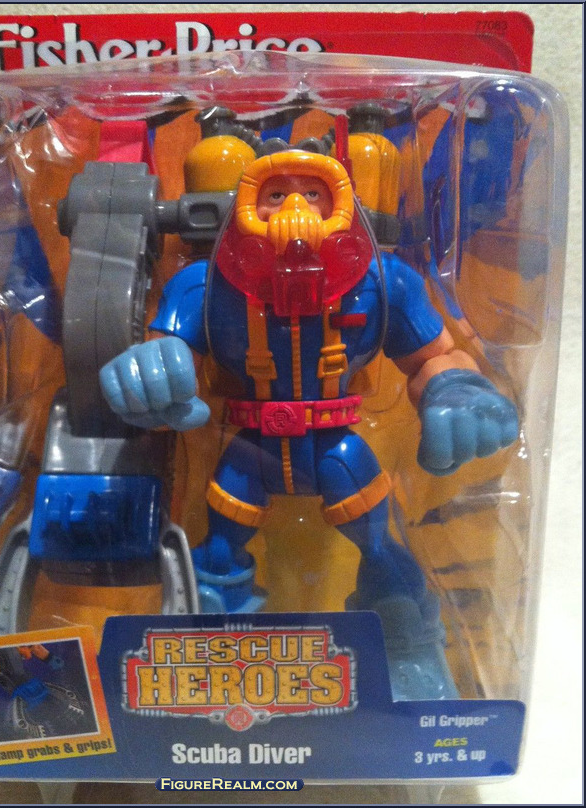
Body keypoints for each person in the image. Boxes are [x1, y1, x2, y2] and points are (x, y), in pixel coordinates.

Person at [100, 149, 518, 699]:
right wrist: (150, 375)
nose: (294, 209)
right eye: (276, 195)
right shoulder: (206, 285)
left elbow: (435, 357)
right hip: (251, 450)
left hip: (336, 448)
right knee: (217, 554)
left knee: (380, 548)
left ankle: (408, 650)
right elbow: (167, 349)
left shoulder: (383, 282)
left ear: (341, 202)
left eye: (312, 194)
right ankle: (206, 656)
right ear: (246, 204)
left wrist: (456, 389)